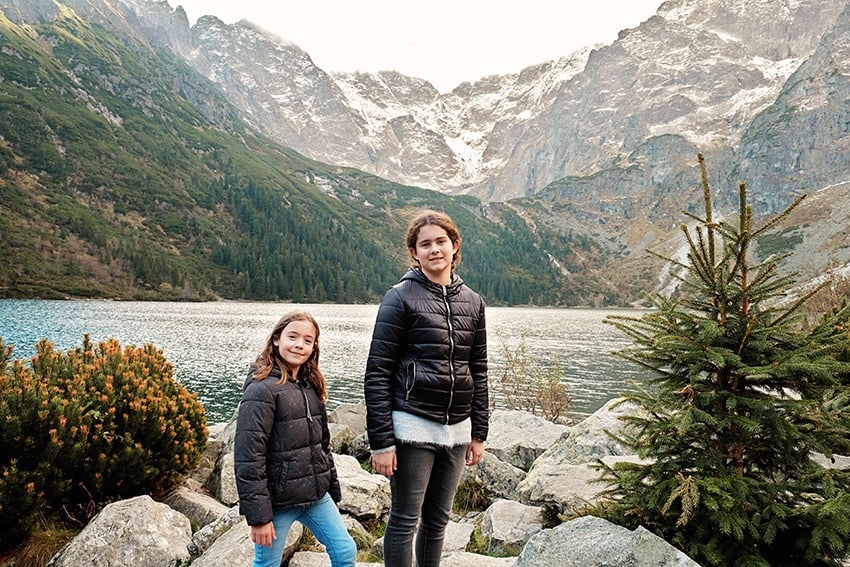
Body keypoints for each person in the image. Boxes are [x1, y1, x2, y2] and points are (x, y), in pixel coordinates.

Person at [364, 209, 489, 567]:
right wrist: (382, 442)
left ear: (454, 247)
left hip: (458, 431)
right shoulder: (399, 298)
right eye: (425, 244)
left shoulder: (473, 302)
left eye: (441, 242)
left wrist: (478, 432)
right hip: (412, 427)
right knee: (404, 521)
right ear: (414, 253)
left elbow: (478, 371)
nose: (434, 249)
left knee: (437, 522)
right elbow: (378, 372)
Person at [234, 310, 357, 567]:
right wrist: (259, 517)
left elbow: (322, 444)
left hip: (315, 496)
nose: (299, 345)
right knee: (267, 563)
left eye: (307, 340)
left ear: (313, 347)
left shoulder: (310, 386)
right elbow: (248, 456)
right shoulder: (261, 390)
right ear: (277, 339)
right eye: (293, 336)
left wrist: (330, 487)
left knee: (345, 551)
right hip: (278, 501)